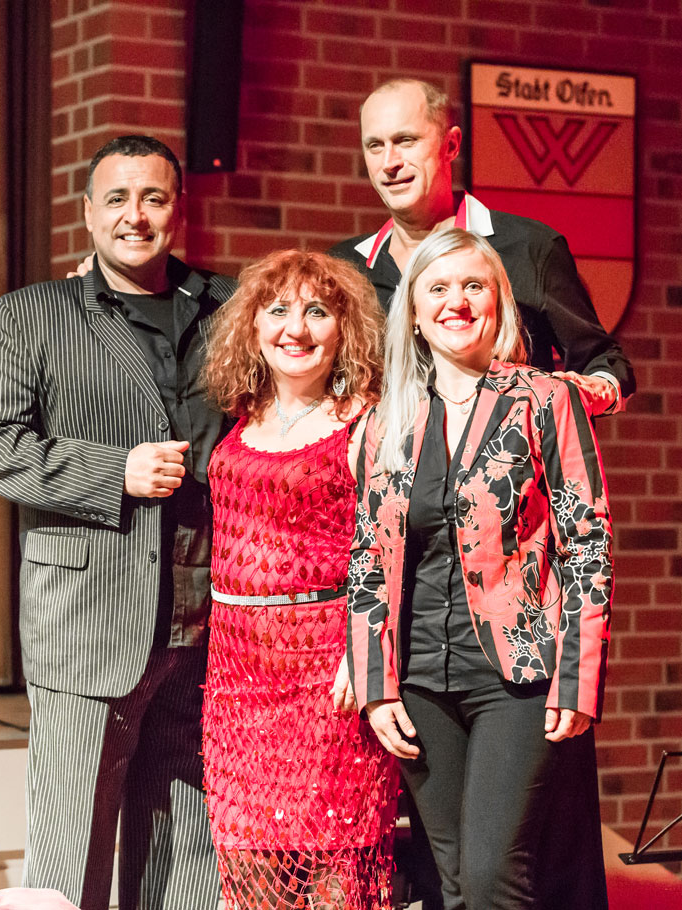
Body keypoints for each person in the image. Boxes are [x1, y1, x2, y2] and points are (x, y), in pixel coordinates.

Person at [0, 136, 235, 910]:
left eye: (153, 197)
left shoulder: (231, 308)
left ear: (178, 208)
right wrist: (113, 472)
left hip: (209, 623)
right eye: (116, 198)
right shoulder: (31, 316)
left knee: (189, 862)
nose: (134, 215)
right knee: (68, 862)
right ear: (86, 213)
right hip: (88, 624)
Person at [347, 228, 613, 910]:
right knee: (456, 881)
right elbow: (367, 556)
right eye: (437, 288)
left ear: (498, 302)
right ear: (412, 309)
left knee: (496, 872)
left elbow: (586, 539)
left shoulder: (543, 399)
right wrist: (375, 686)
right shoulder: (386, 420)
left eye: (474, 286)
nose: (456, 302)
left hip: (516, 675)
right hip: (418, 684)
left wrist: (578, 678)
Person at [201, 249, 399, 909]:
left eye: (317, 311)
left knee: (332, 865)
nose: (296, 327)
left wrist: (362, 646)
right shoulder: (239, 410)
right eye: (277, 309)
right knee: (249, 866)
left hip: (325, 671)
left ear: (344, 329)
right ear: (253, 324)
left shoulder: (365, 417)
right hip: (236, 673)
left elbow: (391, 545)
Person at [329, 77, 635, 417]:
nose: (390, 162)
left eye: (406, 141)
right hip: (381, 468)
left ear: (451, 144)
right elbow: (330, 380)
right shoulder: (343, 269)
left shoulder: (529, 247)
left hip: (510, 467)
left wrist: (572, 399)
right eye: (375, 146)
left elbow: (603, 362)